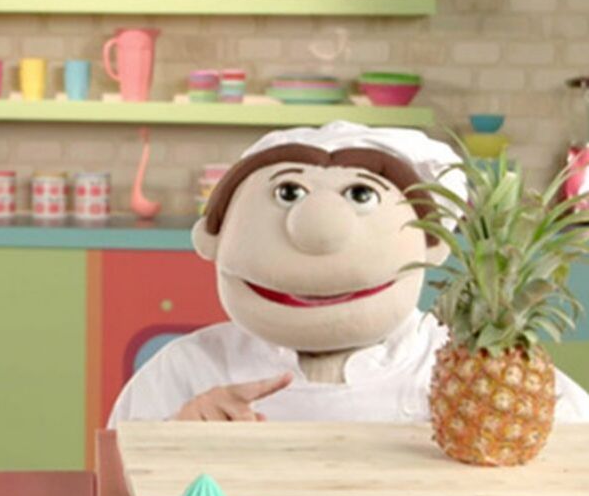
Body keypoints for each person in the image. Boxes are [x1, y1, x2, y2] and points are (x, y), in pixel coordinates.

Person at [109, 121, 589, 425]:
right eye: (288, 194)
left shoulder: (474, 371)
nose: (316, 231)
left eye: (361, 196)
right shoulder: (188, 368)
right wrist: (178, 437)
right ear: (215, 239)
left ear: (432, 244)